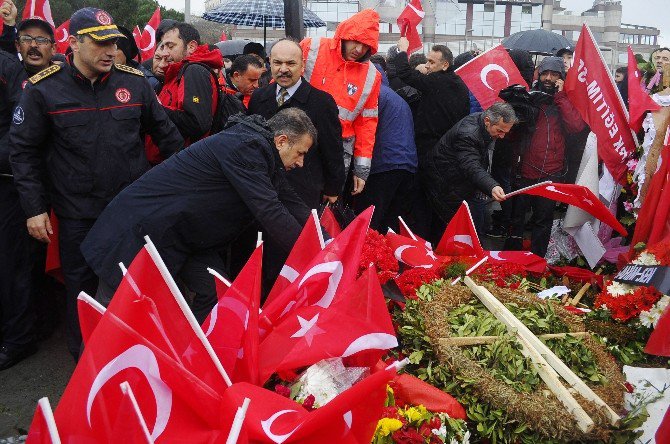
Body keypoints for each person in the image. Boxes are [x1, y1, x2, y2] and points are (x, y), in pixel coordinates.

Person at [9, 7, 184, 359]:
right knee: (83, 292)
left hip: (128, 211)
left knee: (133, 288)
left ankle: (134, 359)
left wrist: (173, 192)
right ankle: (89, 366)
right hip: (77, 215)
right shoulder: (44, 89)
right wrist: (34, 209)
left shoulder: (133, 83)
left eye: (114, 43)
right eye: (99, 43)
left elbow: (169, 140)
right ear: (73, 43)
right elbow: (23, 152)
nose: (109, 50)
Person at [81, 109, 315, 322]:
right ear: (282, 141)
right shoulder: (247, 147)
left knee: (215, 291)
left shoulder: (261, 152)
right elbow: (269, 209)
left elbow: (291, 201)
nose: (302, 163)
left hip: (182, 237)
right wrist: (312, 257)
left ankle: (192, 357)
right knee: (114, 321)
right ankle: (92, 369)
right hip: (139, 233)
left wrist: (327, 243)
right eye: (300, 153)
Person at [0, 16, 58, 370]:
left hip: (41, 191)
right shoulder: (18, 78)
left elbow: (22, 145)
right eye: (27, 39)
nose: (34, 45)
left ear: (54, 48)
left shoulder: (60, 82)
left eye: (42, 39)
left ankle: (22, 337)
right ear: (18, 45)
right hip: (16, 184)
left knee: (21, 265)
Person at [248, 38, 344, 209]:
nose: (283, 69)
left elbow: (332, 150)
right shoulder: (258, 97)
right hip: (263, 188)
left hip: (303, 191)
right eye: (277, 63)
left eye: (290, 63)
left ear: (302, 65)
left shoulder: (322, 102)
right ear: (269, 63)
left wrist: (333, 189)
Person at [504, 56, 585, 257]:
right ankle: (511, 258)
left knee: (543, 218)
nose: (548, 78)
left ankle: (538, 260)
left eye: (554, 74)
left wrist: (561, 97)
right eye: (545, 73)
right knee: (517, 218)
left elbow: (576, 126)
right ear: (538, 74)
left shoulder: (565, 99)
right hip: (524, 170)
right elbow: (510, 132)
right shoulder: (528, 96)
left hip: (552, 171)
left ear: (561, 77)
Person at [393, 36, 470, 243]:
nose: (427, 66)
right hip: (449, 151)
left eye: (431, 62)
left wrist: (402, 50)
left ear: (445, 65)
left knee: (422, 201)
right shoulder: (459, 85)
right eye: (427, 61)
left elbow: (404, 74)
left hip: (429, 149)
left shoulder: (437, 81)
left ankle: (422, 243)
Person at [300, 9, 382, 196]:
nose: (359, 50)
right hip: (299, 138)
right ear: (344, 35)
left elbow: (367, 122)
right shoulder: (311, 47)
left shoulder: (372, 75)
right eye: (356, 41)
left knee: (328, 208)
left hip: (338, 149)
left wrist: (361, 169)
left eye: (366, 45)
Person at [423, 103, 517, 236]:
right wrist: (492, 186)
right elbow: (471, 165)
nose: (502, 136)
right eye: (500, 131)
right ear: (487, 121)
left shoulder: (483, 124)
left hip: (460, 184)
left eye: (505, 133)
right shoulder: (468, 134)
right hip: (444, 183)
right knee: (454, 233)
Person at [354, 63, 418, 233]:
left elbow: (363, 129)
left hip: (384, 163)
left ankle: (368, 256)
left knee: (372, 219)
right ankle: (388, 256)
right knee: (392, 220)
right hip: (408, 163)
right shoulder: (396, 97)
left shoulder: (373, 94)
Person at [155, 22, 223, 145]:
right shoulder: (177, 71)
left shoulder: (194, 71)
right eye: (163, 46)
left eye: (170, 46)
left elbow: (196, 123)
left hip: (180, 159)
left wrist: (155, 108)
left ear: (191, 46)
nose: (164, 53)